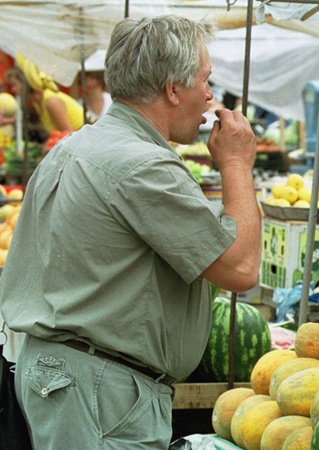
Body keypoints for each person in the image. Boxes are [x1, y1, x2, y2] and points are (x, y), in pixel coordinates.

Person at [0, 15, 261, 449]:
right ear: (173, 89)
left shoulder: (76, 145)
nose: (211, 96)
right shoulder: (143, 165)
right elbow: (241, 268)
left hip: (70, 379)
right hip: (101, 391)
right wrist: (237, 164)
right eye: (204, 79)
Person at [5, 55, 84, 134]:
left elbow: (68, 134)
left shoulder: (51, 102)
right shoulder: (37, 103)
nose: (13, 90)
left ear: (26, 84)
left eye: (14, 85)